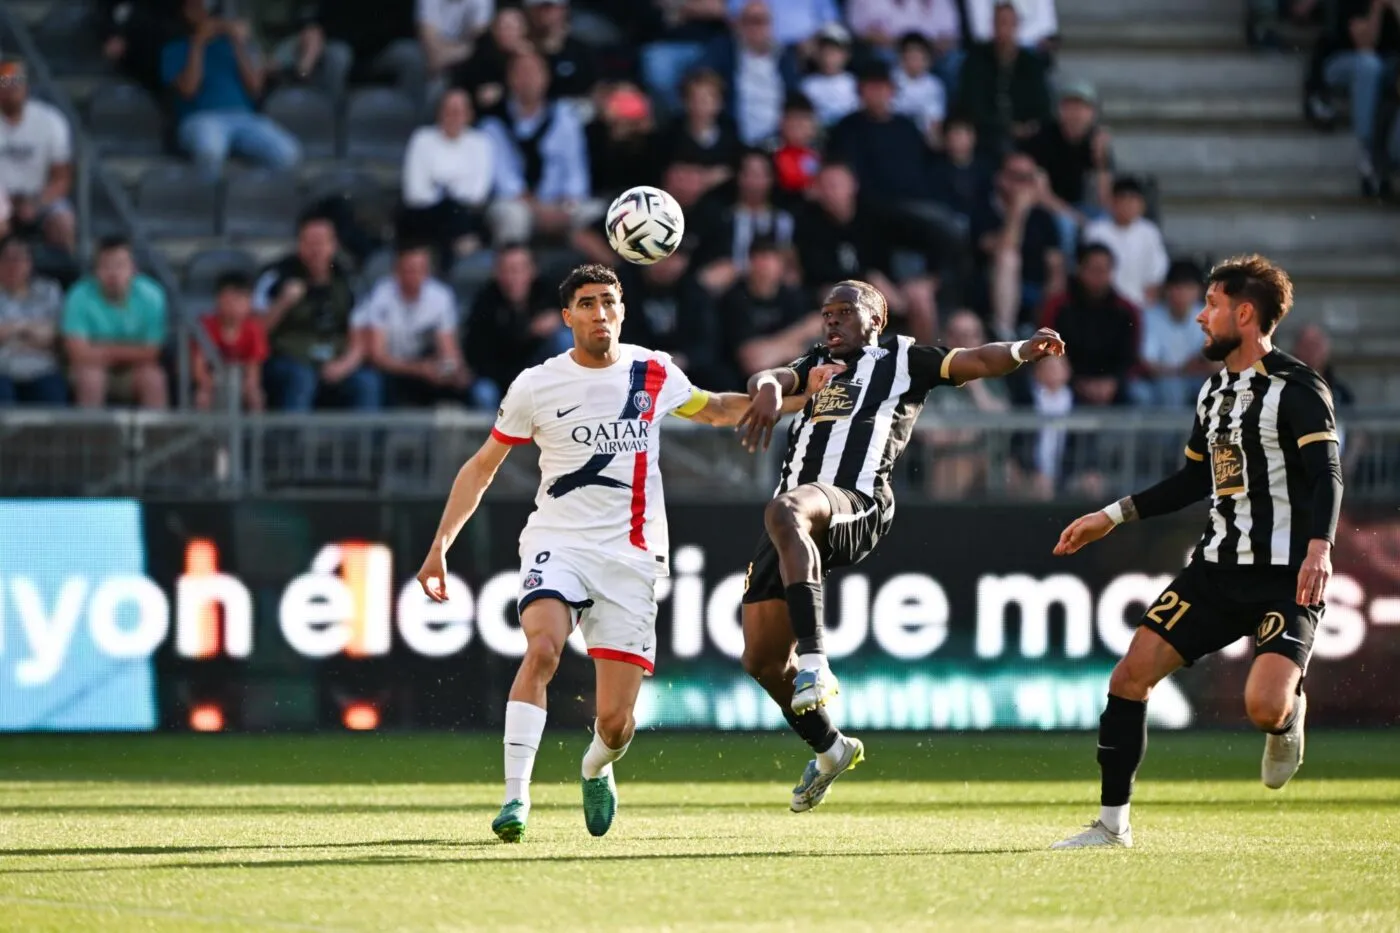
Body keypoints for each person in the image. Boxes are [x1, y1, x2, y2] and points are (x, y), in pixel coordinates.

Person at [413, 263, 800, 842]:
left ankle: (595, 767)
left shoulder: (653, 371)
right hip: (558, 542)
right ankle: (515, 798)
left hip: (632, 556)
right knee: (542, 650)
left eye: (610, 303)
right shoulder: (537, 384)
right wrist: (440, 545)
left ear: (623, 310)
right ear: (567, 315)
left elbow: (719, 408)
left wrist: (812, 398)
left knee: (616, 723)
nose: (600, 314)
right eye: (587, 304)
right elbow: (482, 466)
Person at [732, 279, 1065, 811]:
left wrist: (1024, 350)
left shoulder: (905, 358)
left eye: (845, 312)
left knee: (786, 508)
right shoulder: (819, 361)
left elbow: (977, 360)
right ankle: (830, 748)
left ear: (877, 319)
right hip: (793, 517)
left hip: (857, 499)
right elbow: (767, 374)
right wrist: (771, 388)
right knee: (762, 659)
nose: (832, 322)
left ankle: (817, 662)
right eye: (826, 313)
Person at [1049, 254, 1342, 850]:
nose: (1200, 318)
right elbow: (1191, 481)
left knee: (1261, 707)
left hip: (1286, 575)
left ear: (1245, 313)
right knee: (1130, 675)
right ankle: (1112, 826)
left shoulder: (1297, 387)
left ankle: (1288, 715)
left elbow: (1327, 473)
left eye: (1211, 306)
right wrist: (1110, 516)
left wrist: (1319, 550)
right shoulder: (1213, 393)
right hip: (1214, 569)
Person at [161, 0, 301, 179]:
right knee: (210, 150)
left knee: (288, 153)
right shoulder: (175, 48)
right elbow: (189, 89)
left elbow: (255, 87)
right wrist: (198, 43)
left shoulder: (231, 47)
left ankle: (256, 199)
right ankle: (209, 204)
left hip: (244, 118)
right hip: (201, 118)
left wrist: (238, 41)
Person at [352, 241, 474, 408]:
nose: (414, 275)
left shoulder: (441, 297)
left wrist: (448, 370)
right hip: (389, 370)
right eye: (408, 270)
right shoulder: (381, 294)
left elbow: (449, 352)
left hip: (426, 369)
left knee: (466, 384)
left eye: (420, 269)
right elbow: (377, 356)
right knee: (372, 383)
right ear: (397, 271)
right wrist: (419, 369)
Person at [61, 236, 169, 410]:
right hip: (90, 367)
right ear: (95, 271)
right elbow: (77, 352)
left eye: (120, 265)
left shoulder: (152, 296)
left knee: (154, 379)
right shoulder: (78, 295)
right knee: (91, 378)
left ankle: (159, 438)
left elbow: (152, 353)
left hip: (135, 369)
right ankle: (90, 437)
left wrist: (103, 349)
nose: (113, 273)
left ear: (133, 269)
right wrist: (130, 351)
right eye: (105, 266)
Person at [0, 59, 77, 255]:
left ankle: (67, 280)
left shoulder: (49, 120)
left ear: (25, 85)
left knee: (64, 222)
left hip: (39, 197)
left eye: (15, 82)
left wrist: (37, 203)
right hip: (2, 198)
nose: (10, 89)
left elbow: (62, 178)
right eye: (4, 83)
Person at [0, 234, 66, 405]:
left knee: (53, 399)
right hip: (2, 369)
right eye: (7, 259)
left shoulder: (49, 290)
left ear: (30, 263)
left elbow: (54, 336)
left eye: (20, 259)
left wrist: (11, 329)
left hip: (41, 368)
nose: (13, 265)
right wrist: (30, 329)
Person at [192, 270, 267, 411]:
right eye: (228, 300)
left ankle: (257, 432)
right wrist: (211, 384)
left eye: (239, 300)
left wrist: (246, 386)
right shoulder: (205, 326)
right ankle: (203, 432)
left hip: (239, 379)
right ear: (217, 300)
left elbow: (253, 370)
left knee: (256, 396)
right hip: (212, 380)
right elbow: (198, 368)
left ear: (249, 303)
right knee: (202, 398)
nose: (233, 306)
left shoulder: (254, 330)